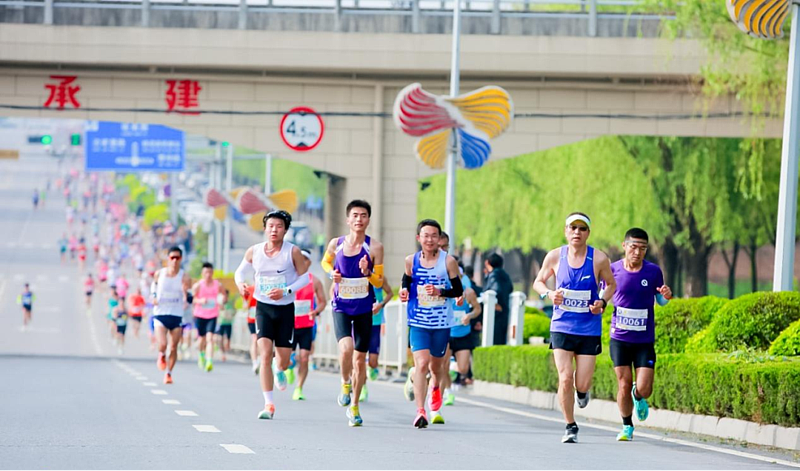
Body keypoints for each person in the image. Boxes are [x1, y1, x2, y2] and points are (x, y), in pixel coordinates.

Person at [533, 212, 616, 444]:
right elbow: (538, 282)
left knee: (582, 382)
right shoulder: (554, 256)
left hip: (589, 328)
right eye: (573, 228)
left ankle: (582, 392)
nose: (577, 232)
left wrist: (602, 302)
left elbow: (611, 284)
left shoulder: (599, 259)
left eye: (582, 228)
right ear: (566, 231)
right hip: (561, 325)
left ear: (588, 233)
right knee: (565, 378)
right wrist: (549, 294)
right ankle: (570, 425)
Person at [234, 210, 309, 420]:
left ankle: (280, 368)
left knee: (283, 361)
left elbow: (305, 278)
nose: (274, 230)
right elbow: (240, 272)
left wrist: (285, 291)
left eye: (279, 226)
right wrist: (241, 284)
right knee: (265, 354)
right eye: (270, 226)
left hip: (285, 309)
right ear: (265, 229)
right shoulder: (255, 251)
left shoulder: (292, 252)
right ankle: (269, 404)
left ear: (285, 230)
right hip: (263, 308)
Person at [320, 200, 384, 427]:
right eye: (355, 215)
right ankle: (344, 382)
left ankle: (354, 406)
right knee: (346, 348)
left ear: (368, 220)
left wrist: (367, 272)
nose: (359, 219)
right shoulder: (336, 244)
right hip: (341, 305)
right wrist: (332, 274)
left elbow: (379, 281)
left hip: (364, 307)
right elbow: (325, 262)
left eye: (363, 215)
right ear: (348, 220)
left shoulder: (375, 247)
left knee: (360, 360)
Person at [399, 219, 463, 428]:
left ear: (439, 238)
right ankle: (420, 411)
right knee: (421, 364)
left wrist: (439, 291)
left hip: (441, 322)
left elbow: (458, 290)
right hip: (418, 320)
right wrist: (404, 290)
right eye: (426, 236)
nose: (430, 240)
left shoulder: (448, 262)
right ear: (419, 238)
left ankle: (435, 389)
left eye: (434, 236)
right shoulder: (411, 260)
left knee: (436, 367)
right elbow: (407, 279)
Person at [609, 228, 672, 441]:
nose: (637, 252)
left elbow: (660, 301)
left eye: (642, 248)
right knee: (623, 383)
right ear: (624, 246)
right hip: (619, 339)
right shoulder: (613, 270)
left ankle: (638, 395)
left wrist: (666, 296)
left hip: (644, 340)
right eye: (633, 247)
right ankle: (627, 426)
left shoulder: (653, 271)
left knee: (645, 389)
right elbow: (602, 295)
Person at [290, 250, 328, 401]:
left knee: (305, 357)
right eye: (299, 259)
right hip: (289, 326)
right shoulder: (288, 279)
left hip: (306, 325)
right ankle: (288, 367)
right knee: (287, 359)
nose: (301, 262)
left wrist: (316, 311)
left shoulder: (315, 281)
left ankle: (299, 388)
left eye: (304, 259)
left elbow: (323, 302)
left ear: (309, 263)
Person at [442, 262, 481, 407]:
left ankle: (453, 366)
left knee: (463, 369)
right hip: (447, 332)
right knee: (443, 365)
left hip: (463, 334)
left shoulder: (468, 292)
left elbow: (477, 309)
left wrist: (469, 316)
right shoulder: (443, 291)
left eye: (456, 276)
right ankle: (448, 392)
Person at [152, 246, 191, 385]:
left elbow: (190, 297)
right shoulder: (159, 274)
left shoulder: (184, 277)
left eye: (177, 258)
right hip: (160, 314)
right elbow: (154, 287)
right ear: (168, 258)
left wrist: (186, 294)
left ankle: (168, 373)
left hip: (176, 314)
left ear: (181, 259)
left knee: (174, 346)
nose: (174, 260)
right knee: (163, 344)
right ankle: (161, 354)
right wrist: (154, 297)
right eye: (172, 257)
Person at [361, 279, 394, 403]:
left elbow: (390, 293)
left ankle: (372, 367)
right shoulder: (354, 274)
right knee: (359, 359)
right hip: (359, 322)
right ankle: (362, 387)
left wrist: (381, 304)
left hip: (375, 323)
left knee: (373, 361)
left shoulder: (379, 277)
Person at [192, 262, 224, 372]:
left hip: (212, 315)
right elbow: (192, 299)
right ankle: (201, 355)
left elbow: (224, 295)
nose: (208, 275)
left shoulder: (217, 285)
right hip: (200, 315)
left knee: (210, 338)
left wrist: (222, 301)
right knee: (202, 338)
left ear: (212, 273)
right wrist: (200, 301)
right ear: (202, 273)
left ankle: (209, 360)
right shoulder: (198, 285)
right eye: (206, 272)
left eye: (210, 272)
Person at [483, 253, 514, 345]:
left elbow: (496, 290)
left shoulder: (494, 274)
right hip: (505, 310)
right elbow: (510, 288)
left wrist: (496, 303)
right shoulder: (505, 275)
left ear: (488, 263)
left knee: (493, 338)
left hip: (496, 312)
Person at [216, 289, 235, 362]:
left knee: (227, 340)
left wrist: (231, 314)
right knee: (220, 338)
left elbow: (234, 311)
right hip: (221, 323)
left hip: (229, 323)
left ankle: (225, 351)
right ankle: (222, 353)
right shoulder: (219, 303)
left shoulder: (230, 303)